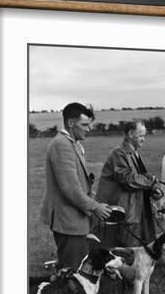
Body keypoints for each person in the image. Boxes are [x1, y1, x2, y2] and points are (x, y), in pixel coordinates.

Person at [40, 102, 112, 270]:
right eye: (84, 125)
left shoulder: (72, 144)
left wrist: (92, 197)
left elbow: (78, 181)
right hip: (67, 217)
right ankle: (66, 292)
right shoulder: (61, 145)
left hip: (74, 215)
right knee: (72, 267)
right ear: (71, 123)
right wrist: (95, 207)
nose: (88, 129)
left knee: (79, 261)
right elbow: (70, 188)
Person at [96, 120, 159, 247]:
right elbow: (127, 179)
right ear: (130, 134)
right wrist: (150, 181)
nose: (144, 139)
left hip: (137, 208)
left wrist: (153, 190)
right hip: (126, 210)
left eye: (144, 136)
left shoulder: (134, 153)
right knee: (126, 249)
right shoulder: (119, 153)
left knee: (137, 247)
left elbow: (140, 178)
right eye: (141, 135)